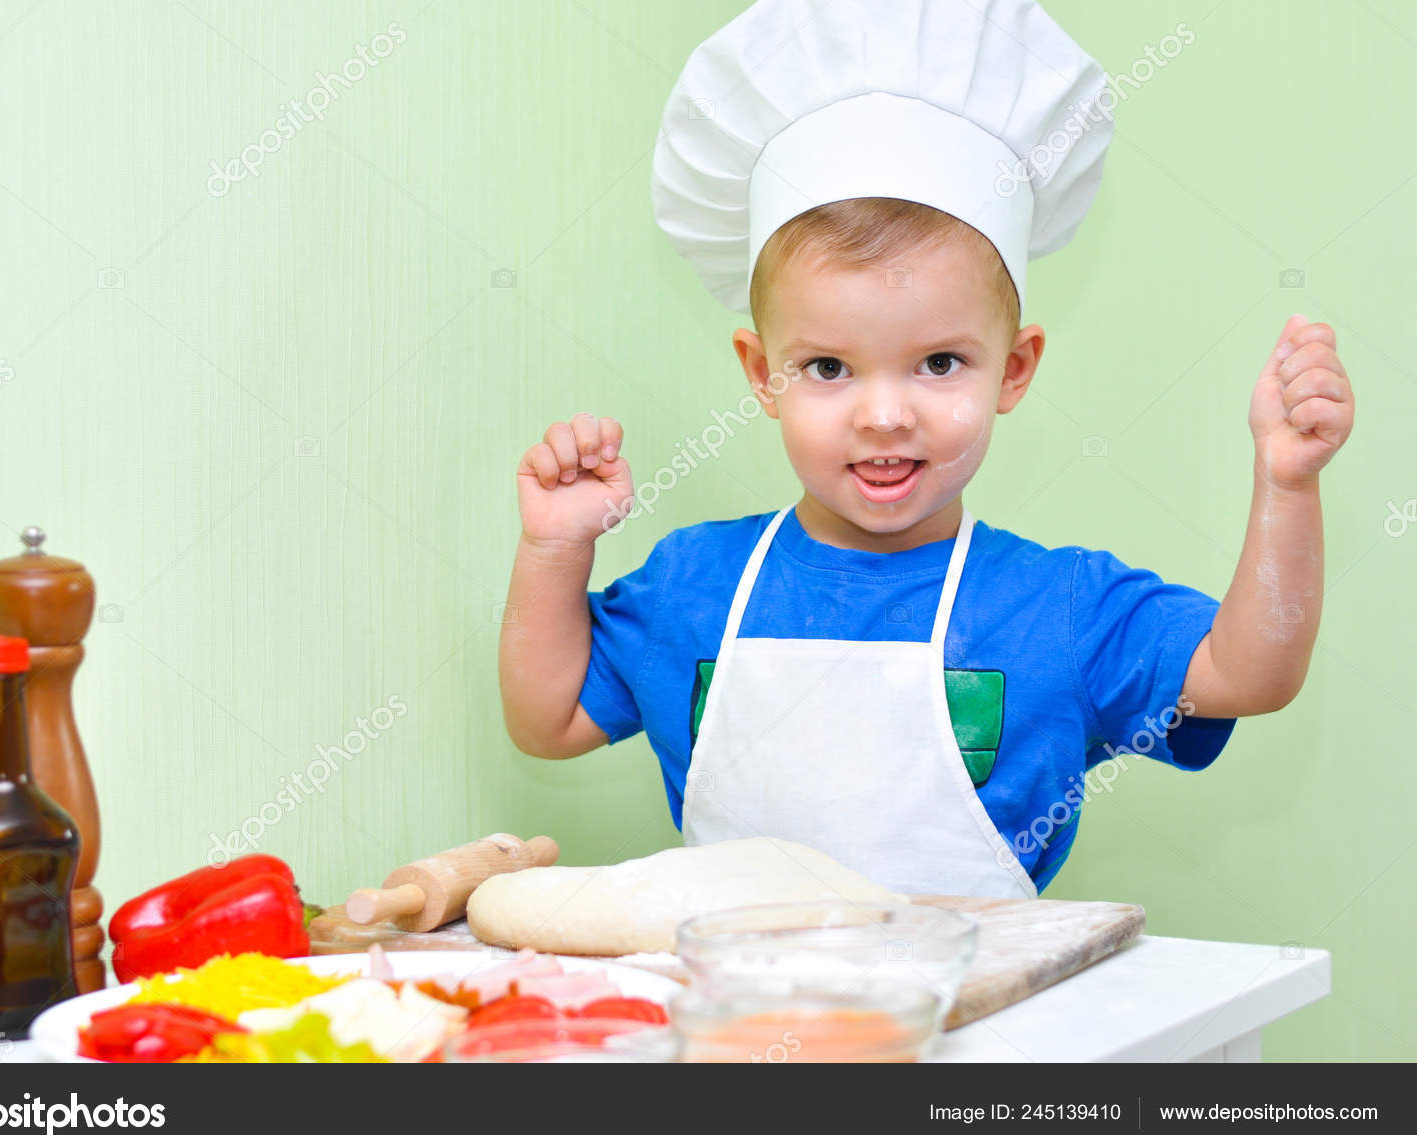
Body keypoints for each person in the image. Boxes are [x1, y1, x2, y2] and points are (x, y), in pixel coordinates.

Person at [497, 0, 1354, 897]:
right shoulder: (692, 584)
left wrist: (1286, 487)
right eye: (827, 366)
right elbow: (546, 719)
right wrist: (554, 549)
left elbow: (1247, 673)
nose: (883, 414)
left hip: (982, 1023)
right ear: (761, 373)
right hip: (742, 1019)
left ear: (1013, 371)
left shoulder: (1058, 608)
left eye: (938, 362)